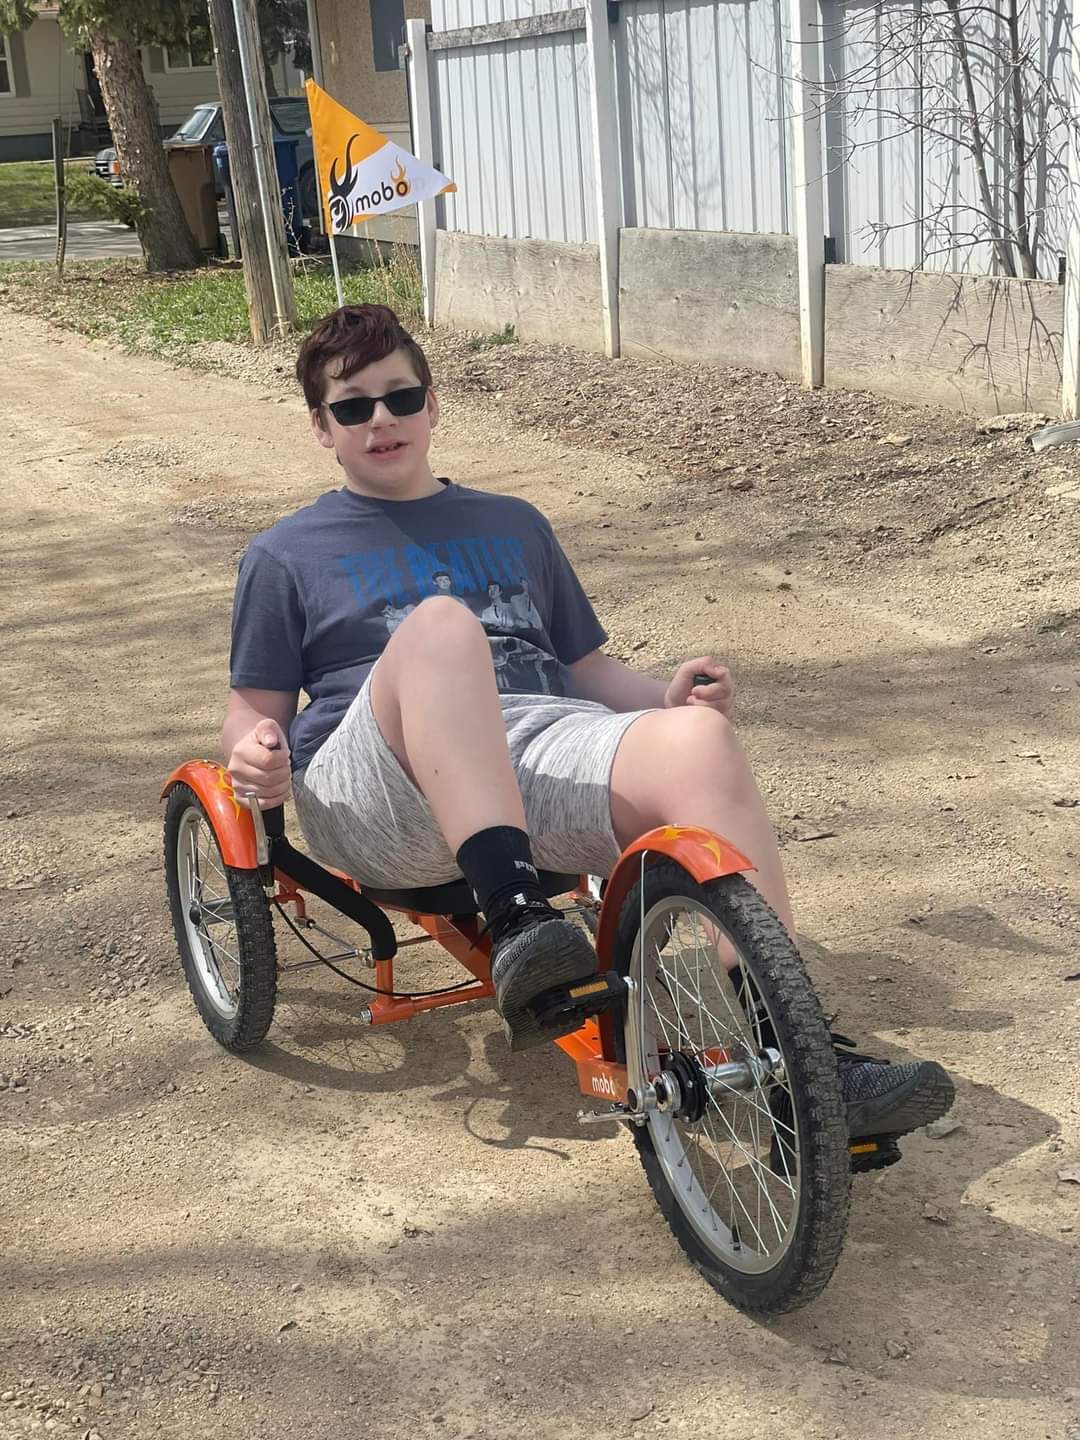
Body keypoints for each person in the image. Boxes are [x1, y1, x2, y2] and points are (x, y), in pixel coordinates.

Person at [224, 304, 954, 1141]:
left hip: (533, 746)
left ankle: (792, 1057)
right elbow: (254, 710)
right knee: (440, 626)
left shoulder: (514, 523)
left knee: (701, 743)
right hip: (382, 790)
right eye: (353, 406)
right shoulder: (287, 553)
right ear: (322, 427)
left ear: (433, 404)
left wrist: (668, 700)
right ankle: (519, 922)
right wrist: (254, 753)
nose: (381, 420)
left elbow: (582, 673)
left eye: (400, 397)